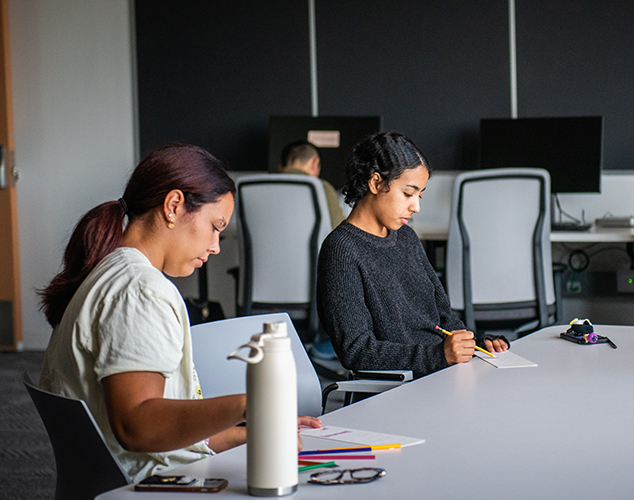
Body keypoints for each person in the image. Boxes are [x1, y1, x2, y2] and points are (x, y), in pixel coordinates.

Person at [38, 144, 321, 482]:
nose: (216, 246)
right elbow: (137, 425)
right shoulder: (140, 291)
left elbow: (161, 432)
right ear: (173, 206)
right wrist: (251, 404)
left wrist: (253, 431)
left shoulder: (111, 271)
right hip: (153, 485)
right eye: (215, 226)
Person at [316, 132, 509, 379]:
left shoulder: (406, 237)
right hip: (401, 387)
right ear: (375, 183)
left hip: (438, 374)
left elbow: (443, 319)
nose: (416, 206)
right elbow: (356, 351)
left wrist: (476, 343)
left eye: (420, 195)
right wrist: (439, 355)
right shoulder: (341, 250)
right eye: (408, 193)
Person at [279, 140, 345, 229]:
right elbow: (339, 231)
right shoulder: (321, 188)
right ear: (315, 162)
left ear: (280, 166)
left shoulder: (262, 187)